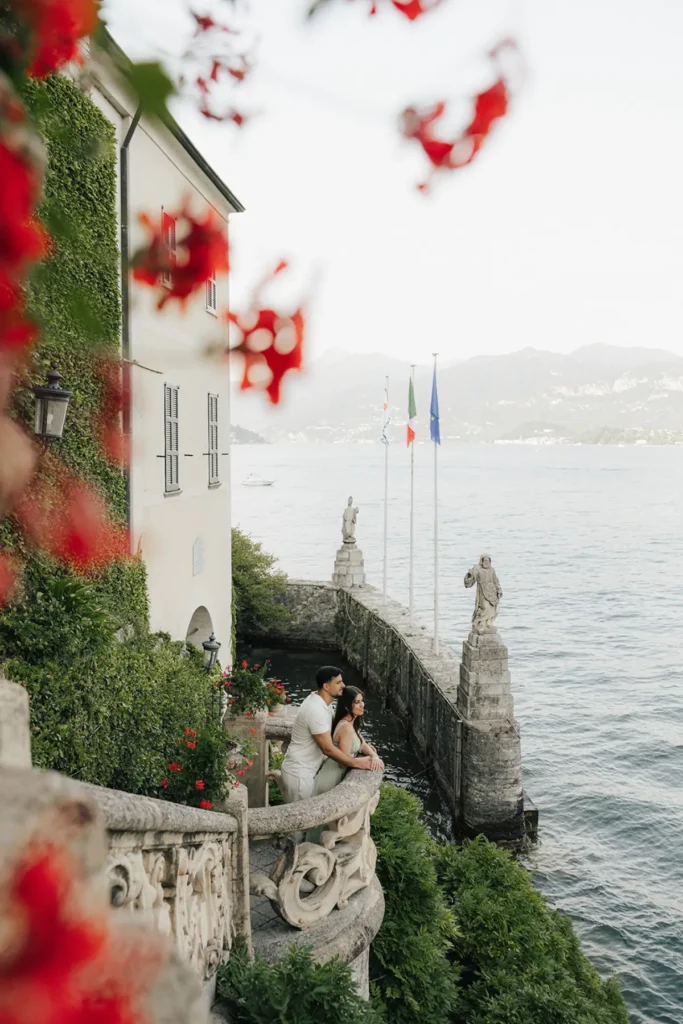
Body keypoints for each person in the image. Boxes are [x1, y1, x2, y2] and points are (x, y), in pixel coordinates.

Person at [279, 666, 377, 806]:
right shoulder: (315, 709)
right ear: (326, 686)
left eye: (342, 681)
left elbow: (345, 727)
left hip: (309, 771)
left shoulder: (324, 704)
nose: (343, 686)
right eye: (338, 682)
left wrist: (362, 746)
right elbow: (327, 749)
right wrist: (356, 762)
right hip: (299, 775)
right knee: (301, 824)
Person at [314, 686, 383, 797]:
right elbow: (342, 763)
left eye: (362, 701)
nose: (362, 705)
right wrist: (361, 761)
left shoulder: (351, 722)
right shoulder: (346, 728)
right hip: (330, 779)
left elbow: (363, 744)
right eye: (357, 702)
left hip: (335, 775)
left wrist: (374, 756)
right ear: (347, 707)